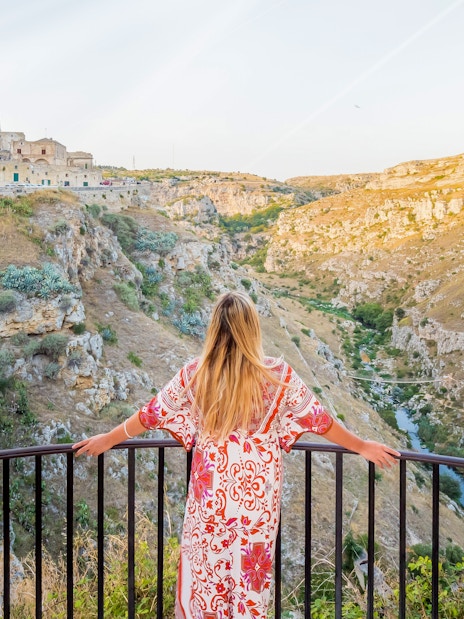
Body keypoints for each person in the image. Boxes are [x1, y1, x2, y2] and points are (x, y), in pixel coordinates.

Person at [73, 291, 399, 619]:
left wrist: (108, 439)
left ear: (215, 328)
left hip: (210, 499)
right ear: (252, 329)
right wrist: (361, 446)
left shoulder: (195, 374)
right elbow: (319, 420)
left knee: (206, 579)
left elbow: (149, 415)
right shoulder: (277, 375)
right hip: (258, 501)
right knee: (250, 583)